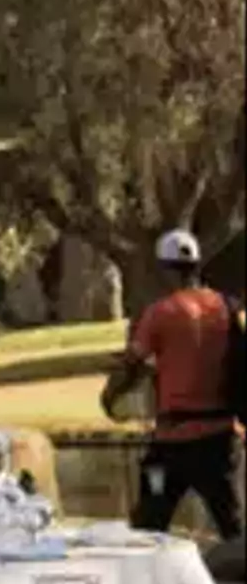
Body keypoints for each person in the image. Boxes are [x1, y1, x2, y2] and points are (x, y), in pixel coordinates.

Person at [124, 229, 240, 543]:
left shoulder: (161, 312)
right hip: (219, 438)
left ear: (164, 269)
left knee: (150, 522)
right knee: (231, 524)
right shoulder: (224, 307)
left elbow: (133, 362)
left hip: (171, 444)